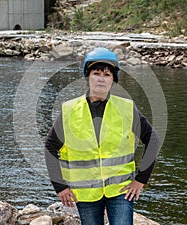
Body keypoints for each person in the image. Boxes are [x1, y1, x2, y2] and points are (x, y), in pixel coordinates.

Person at [45, 47, 160, 225]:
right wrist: (60, 186)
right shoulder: (69, 110)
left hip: (121, 190)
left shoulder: (126, 109)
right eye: (96, 73)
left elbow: (153, 140)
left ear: (113, 80)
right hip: (85, 193)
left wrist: (140, 180)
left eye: (107, 74)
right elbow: (50, 147)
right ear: (88, 76)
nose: (101, 78)